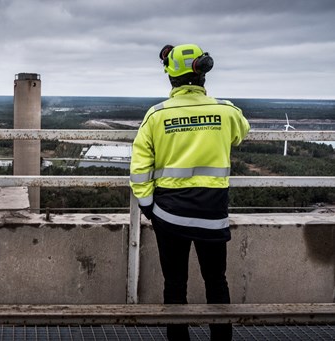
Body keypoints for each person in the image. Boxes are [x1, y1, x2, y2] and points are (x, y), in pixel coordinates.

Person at [130, 43, 250, 341]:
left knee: (174, 284)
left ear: (170, 77)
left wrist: (148, 208)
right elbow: (241, 132)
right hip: (212, 213)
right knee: (216, 281)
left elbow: (139, 170)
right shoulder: (226, 111)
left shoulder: (156, 116)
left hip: (169, 216)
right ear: (203, 73)